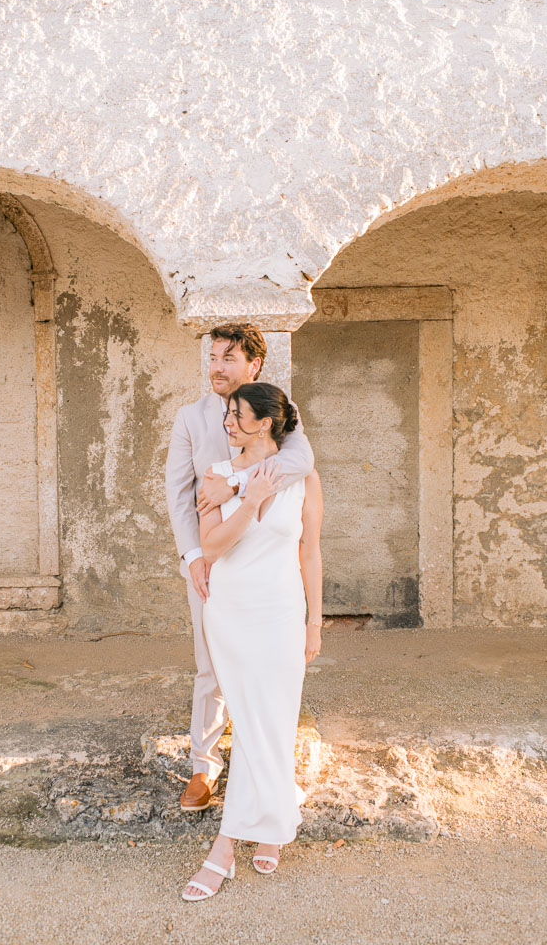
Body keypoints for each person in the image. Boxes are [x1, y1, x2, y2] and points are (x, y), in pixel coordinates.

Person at [181, 381, 323, 901]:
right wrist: (249, 500)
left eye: (237, 416)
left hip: (282, 614)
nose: (227, 424)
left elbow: (310, 551)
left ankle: (239, 840)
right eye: (227, 415)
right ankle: (249, 834)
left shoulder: (303, 476)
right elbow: (212, 547)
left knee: (274, 719)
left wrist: (314, 622)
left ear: (264, 423)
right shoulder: (216, 476)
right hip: (231, 614)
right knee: (250, 718)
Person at [165, 323, 314, 815]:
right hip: (211, 557)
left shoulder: (277, 410)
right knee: (210, 664)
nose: (216, 367)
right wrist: (194, 559)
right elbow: (179, 495)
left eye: (228, 358)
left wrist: (234, 483)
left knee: (265, 668)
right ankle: (204, 764)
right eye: (212, 357)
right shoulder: (190, 418)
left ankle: (262, 767)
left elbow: (300, 461)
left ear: (254, 364)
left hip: (264, 561)